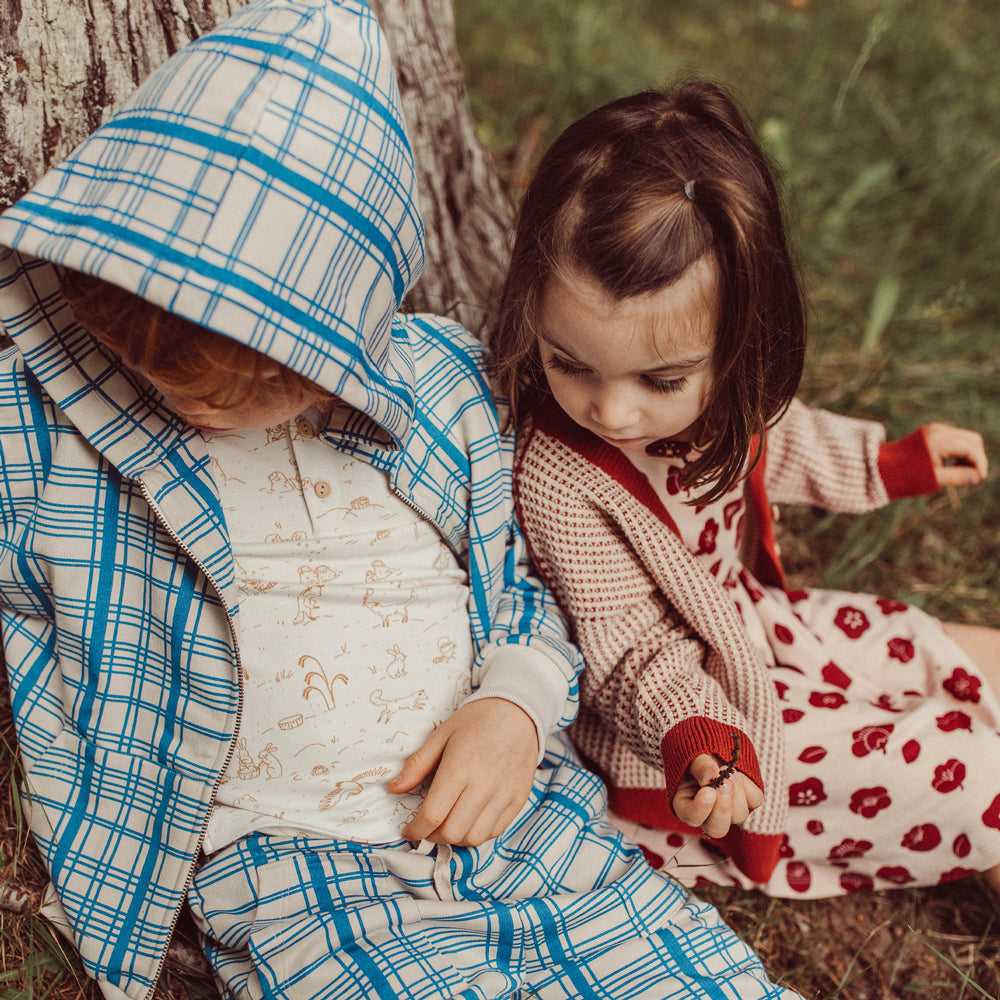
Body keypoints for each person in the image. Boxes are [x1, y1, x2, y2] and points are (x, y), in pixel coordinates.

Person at [0, 5, 806, 999]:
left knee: (681, 973)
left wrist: (512, 705)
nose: (199, 402)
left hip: (523, 816)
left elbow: (524, 585)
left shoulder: (441, 391)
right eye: (155, 366)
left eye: (254, 383)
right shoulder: (48, 414)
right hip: (300, 861)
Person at [494, 80, 1000, 900]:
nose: (612, 408)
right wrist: (699, 737)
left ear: (739, 337)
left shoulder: (724, 384)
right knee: (972, 772)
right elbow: (627, 649)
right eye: (569, 363)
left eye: (661, 380)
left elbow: (781, 433)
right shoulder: (563, 475)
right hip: (699, 727)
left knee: (950, 651)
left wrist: (891, 463)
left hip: (760, 627)